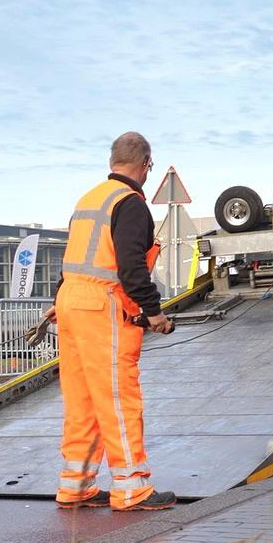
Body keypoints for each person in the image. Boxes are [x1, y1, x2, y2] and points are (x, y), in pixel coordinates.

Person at [44, 132, 176, 511]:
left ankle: (76, 485)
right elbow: (132, 268)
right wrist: (154, 312)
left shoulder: (88, 200)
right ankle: (132, 488)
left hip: (71, 301)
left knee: (82, 399)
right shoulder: (130, 203)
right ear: (146, 164)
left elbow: (75, 258)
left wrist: (60, 302)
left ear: (111, 162)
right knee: (118, 397)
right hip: (102, 307)